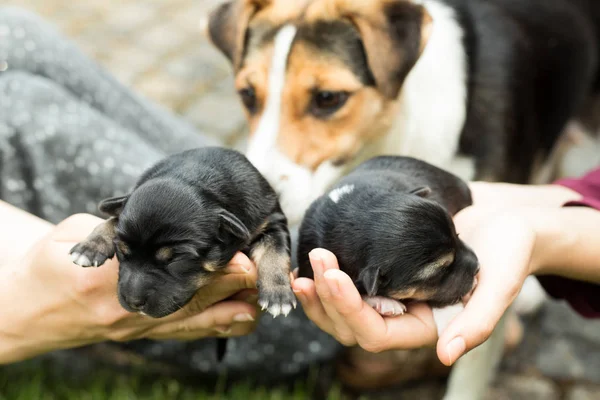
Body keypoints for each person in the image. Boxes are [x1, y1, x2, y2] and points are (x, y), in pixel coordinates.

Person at [0, 6, 339, 382]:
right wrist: (18, 313)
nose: (131, 292)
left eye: (170, 260)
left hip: (224, 205)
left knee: (10, 33)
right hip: (319, 319)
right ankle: (338, 344)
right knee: (13, 111)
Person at [293, 171, 600, 367]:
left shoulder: (411, 199)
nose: (473, 262)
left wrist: (540, 237)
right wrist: (366, 299)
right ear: (372, 280)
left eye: (457, 236)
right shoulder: (320, 250)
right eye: (441, 272)